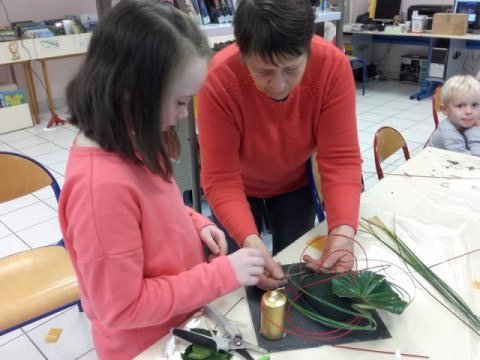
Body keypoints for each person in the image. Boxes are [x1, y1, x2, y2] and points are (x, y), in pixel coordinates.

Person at [58, 1, 265, 358]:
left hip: (181, 325)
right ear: (130, 92)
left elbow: (159, 209)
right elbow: (122, 308)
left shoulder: (135, 137)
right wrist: (221, 275)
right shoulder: (101, 190)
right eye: (181, 101)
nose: (185, 114)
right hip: (147, 347)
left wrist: (195, 223)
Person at [196, 0, 362, 290]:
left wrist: (344, 232)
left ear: (308, 51)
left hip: (293, 183)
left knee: (298, 273)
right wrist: (250, 241)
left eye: (291, 69)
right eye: (264, 72)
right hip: (237, 190)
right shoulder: (218, 80)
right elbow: (221, 178)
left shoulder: (332, 66)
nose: (279, 84)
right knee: (244, 278)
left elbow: (341, 159)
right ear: (243, 54)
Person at [427, 75, 480, 156]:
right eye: (460, 106)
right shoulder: (449, 135)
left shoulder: (464, 123)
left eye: (474, 105)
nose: (469, 111)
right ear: (445, 110)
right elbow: (473, 161)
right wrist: (475, 133)